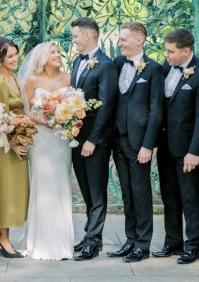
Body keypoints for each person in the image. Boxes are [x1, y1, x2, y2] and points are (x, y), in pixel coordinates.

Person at [154, 28, 199, 265]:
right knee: (169, 195)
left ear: (186, 51)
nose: (166, 55)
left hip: (187, 148)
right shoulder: (167, 68)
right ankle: (173, 241)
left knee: (189, 197)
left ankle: (193, 246)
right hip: (165, 145)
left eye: (171, 51)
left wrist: (194, 152)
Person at [107, 21, 163, 263]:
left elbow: (156, 110)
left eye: (123, 39)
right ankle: (130, 240)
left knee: (140, 192)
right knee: (127, 193)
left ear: (139, 40)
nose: (120, 43)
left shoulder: (153, 69)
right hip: (118, 138)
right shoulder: (118, 64)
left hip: (139, 142)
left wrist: (148, 145)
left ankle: (143, 244)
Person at [18, 41, 74, 260]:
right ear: (42, 57)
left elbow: (76, 104)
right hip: (41, 138)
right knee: (41, 185)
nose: (57, 55)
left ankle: (63, 241)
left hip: (61, 139)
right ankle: (40, 241)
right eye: (52, 52)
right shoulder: (32, 80)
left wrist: (66, 116)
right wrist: (44, 120)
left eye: (58, 52)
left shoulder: (68, 78)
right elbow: (26, 110)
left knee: (61, 183)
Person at [69, 17, 118, 261]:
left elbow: (107, 106)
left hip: (94, 141)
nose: (74, 40)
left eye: (76, 36)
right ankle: (90, 233)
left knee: (97, 192)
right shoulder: (78, 60)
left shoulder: (106, 66)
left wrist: (94, 140)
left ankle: (93, 241)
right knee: (87, 190)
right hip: (77, 137)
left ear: (88, 35)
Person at [0, 37, 28, 259]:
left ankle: (3, 237)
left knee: (14, 192)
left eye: (15, 54)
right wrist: (12, 144)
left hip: (18, 140)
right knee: (5, 191)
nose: (15, 59)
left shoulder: (14, 77)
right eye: (9, 56)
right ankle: (3, 239)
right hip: (5, 146)